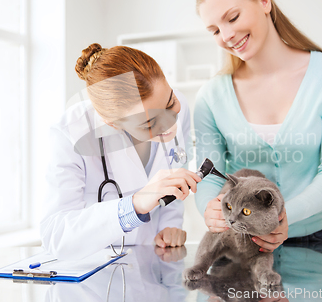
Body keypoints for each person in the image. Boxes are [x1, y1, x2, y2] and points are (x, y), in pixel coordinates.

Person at [193, 0, 322, 252]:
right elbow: (210, 173)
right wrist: (209, 207)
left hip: (311, 242)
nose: (227, 35)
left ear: (263, 2)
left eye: (233, 17)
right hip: (238, 244)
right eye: (215, 30)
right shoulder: (210, 96)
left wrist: (281, 216)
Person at [40, 44, 201, 260]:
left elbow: (174, 171)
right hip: (100, 272)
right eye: (150, 122)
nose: (170, 122)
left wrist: (169, 225)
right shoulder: (72, 132)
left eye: (171, 102)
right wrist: (134, 205)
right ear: (113, 124)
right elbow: (56, 235)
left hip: (155, 262)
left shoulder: (177, 106)